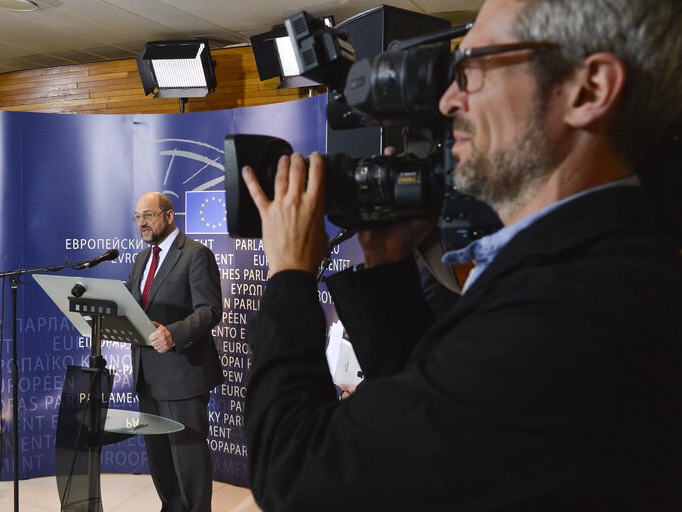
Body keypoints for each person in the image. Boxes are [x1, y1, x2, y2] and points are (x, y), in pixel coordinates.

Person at [241, 0, 682, 510]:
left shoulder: (573, 312)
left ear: (589, 90)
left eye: (472, 70)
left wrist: (290, 275)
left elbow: (297, 475)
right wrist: (388, 273)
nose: (449, 101)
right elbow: (436, 430)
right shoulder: (593, 266)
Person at [126, 192, 223, 512]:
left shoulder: (196, 254)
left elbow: (209, 310)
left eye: (149, 215)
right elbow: (131, 307)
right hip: (147, 372)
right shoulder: (142, 259)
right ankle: (172, 507)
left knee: (188, 455)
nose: (141, 222)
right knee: (159, 456)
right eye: (137, 216)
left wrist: (174, 333)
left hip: (183, 372)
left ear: (169, 216)